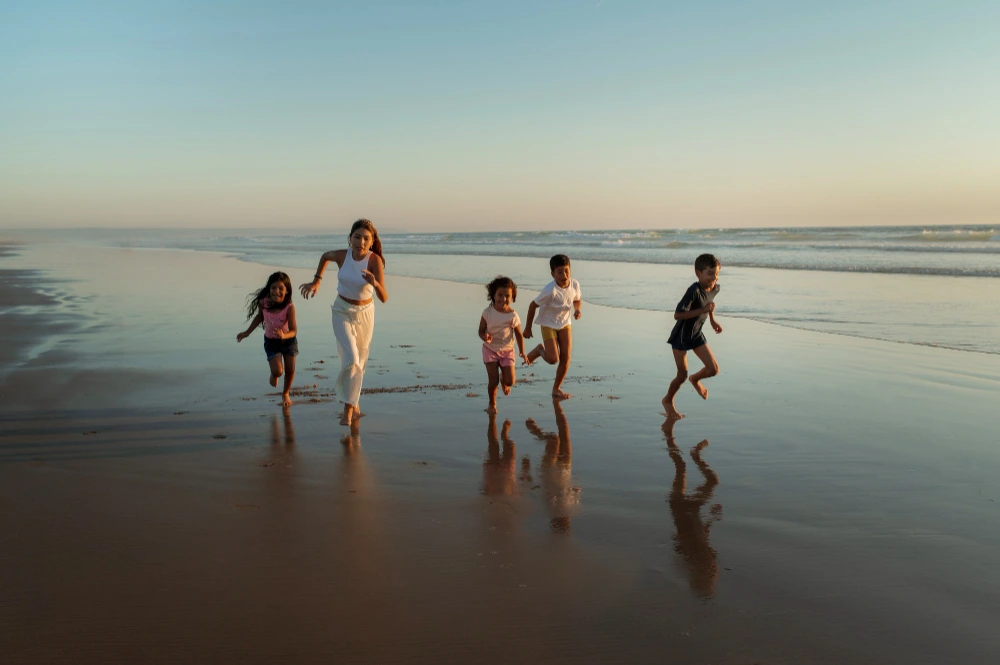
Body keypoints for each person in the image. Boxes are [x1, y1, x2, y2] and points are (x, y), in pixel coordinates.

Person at [299, 219, 388, 425]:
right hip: (341, 310)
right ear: (350, 238)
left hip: (365, 314)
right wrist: (317, 280)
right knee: (351, 357)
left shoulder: (374, 260)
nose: (361, 242)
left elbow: (384, 297)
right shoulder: (342, 256)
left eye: (366, 238)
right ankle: (348, 409)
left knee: (360, 362)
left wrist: (374, 283)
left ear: (372, 241)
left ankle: (354, 402)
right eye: (357, 237)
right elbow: (325, 256)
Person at [662, 253, 723, 420]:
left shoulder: (715, 288)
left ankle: (695, 379)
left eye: (717, 273)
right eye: (710, 273)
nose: (714, 278)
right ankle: (668, 400)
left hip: (696, 334)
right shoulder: (693, 291)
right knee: (681, 375)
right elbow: (678, 315)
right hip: (681, 337)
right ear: (698, 273)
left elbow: (709, 304)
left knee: (713, 369)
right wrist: (702, 310)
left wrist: (712, 320)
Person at [523, 254, 582, 400]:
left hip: (564, 323)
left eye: (567, 271)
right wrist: (528, 328)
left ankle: (556, 388)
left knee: (566, 357)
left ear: (570, 270)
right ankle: (539, 350)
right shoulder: (550, 290)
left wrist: (577, 310)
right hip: (548, 323)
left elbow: (577, 299)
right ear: (553, 274)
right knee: (553, 359)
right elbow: (532, 306)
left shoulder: (574, 284)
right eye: (559, 272)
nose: (564, 275)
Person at [236, 271, 299, 407]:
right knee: (278, 371)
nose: (276, 291)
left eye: (281, 288)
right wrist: (247, 333)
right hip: (271, 342)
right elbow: (260, 317)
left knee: (290, 370)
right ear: (269, 289)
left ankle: (285, 393)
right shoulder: (264, 303)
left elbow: (294, 331)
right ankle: (274, 375)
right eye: (273, 288)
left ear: (287, 291)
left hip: (288, 341)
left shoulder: (289, 308)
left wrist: (284, 335)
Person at [478, 276, 528, 414]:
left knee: (510, 381)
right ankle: (492, 404)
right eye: (500, 295)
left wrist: (522, 351)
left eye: (507, 296)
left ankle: (504, 380)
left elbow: (518, 334)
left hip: (507, 351)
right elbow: (481, 330)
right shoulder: (487, 312)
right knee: (493, 380)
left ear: (512, 297)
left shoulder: (513, 315)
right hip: (490, 350)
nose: (503, 299)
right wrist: (484, 337)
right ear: (493, 295)